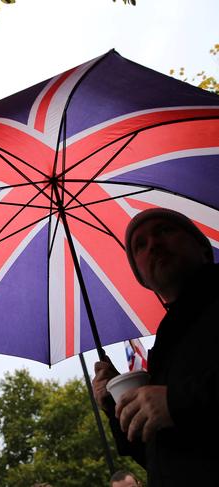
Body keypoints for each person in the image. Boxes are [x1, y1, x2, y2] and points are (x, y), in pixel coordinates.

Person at [92, 208, 218, 486]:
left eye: (164, 230)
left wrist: (175, 403)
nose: (153, 244)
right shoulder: (167, 340)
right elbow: (160, 456)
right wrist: (115, 406)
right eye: (140, 245)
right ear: (143, 279)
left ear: (202, 247)